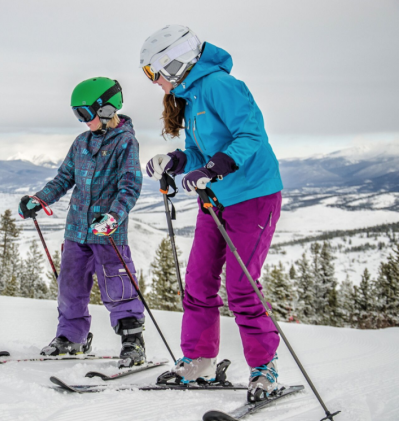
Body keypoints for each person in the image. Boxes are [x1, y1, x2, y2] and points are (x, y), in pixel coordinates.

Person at [141, 25, 284, 401]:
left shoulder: (220, 86)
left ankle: (264, 367)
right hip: (216, 199)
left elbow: (252, 135)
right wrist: (174, 160)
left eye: (152, 71)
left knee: (241, 287)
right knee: (200, 280)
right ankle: (199, 358)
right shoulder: (190, 96)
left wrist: (216, 167)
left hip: (253, 196)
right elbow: (198, 152)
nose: (154, 81)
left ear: (174, 63)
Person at [18, 77, 145, 368]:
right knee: (70, 286)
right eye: (77, 115)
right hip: (77, 231)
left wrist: (113, 216)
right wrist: (40, 199)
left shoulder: (125, 142)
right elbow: (64, 179)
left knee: (118, 285)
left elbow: (130, 186)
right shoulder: (82, 143)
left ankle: (132, 341)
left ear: (105, 110)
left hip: (107, 232)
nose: (81, 121)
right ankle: (71, 337)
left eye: (84, 114)